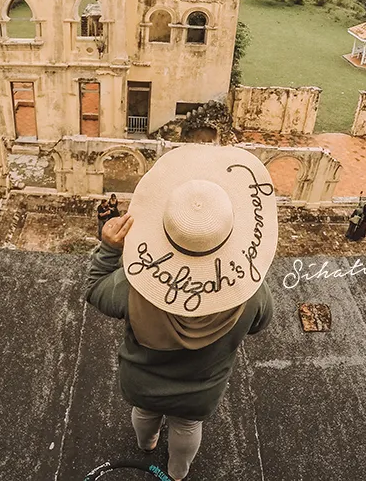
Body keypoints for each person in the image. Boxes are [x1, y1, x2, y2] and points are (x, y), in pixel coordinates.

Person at [85, 144, 277, 481]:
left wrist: (108, 249)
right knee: (188, 426)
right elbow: (262, 322)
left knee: (144, 414)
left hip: (142, 384)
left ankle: (146, 445)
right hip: (201, 390)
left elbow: (94, 288)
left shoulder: (131, 285)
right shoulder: (252, 295)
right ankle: (177, 471)